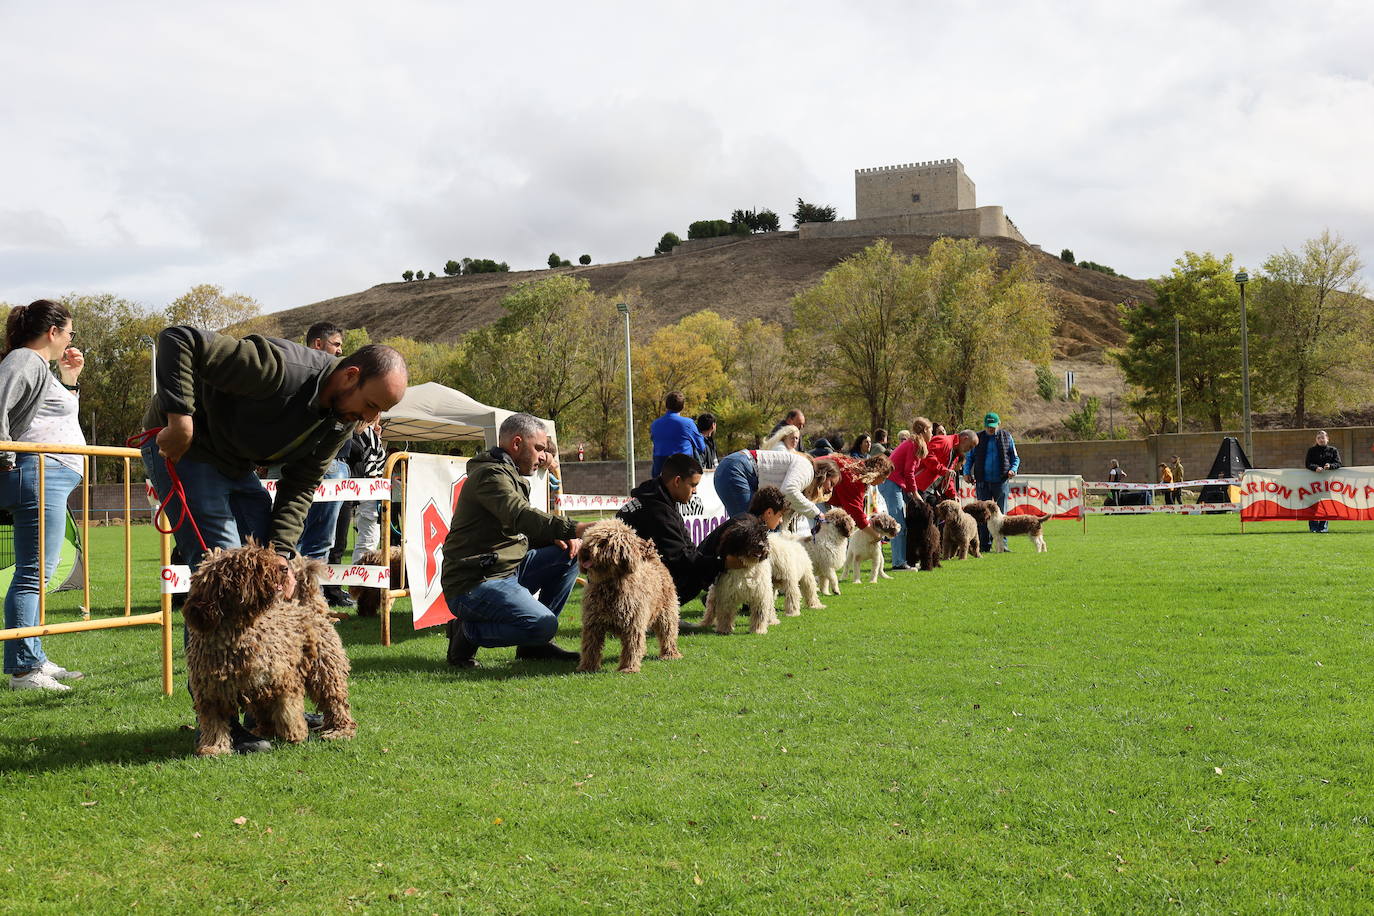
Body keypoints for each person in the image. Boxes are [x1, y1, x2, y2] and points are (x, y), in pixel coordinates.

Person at [141, 328, 407, 751]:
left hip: (235, 463)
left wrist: (282, 556)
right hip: (186, 450)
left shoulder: (342, 419)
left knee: (268, 570)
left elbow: (301, 483)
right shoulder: (278, 369)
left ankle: (263, 703)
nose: (367, 419)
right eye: (370, 405)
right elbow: (179, 340)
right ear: (349, 376)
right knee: (224, 571)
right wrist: (179, 419)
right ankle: (218, 721)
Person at [442, 413, 595, 669]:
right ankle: (467, 632)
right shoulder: (490, 476)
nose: (543, 457)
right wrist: (575, 528)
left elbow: (512, 530)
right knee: (544, 624)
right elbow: (520, 515)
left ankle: (534, 648)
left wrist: (554, 538)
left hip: (504, 571)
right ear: (516, 444)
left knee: (569, 555)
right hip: (475, 581)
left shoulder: (508, 474)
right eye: (538, 448)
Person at [0, 300, 86, 691]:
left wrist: (69, 379)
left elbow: (54, 417)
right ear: (53, 332)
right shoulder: (24, 359)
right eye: (69, 332)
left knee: (37, 573)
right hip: (38, 473)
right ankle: (23, 670)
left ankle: (32, 658)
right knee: (34, 574)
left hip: (48, 475)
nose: (71, 339)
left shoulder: (40, 367)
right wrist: (5, 455)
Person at [616, 453, 746, 607]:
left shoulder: (658, 500)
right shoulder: (659, 512)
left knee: (729, 528)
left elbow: (687, 548)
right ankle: (659, 613)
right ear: (677, 481)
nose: (695, 491)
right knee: (696, 577)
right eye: (693, 485)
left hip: (634, 581)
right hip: (630, 590)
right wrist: (723, 563)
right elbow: (681, 560)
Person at [712, 444, 837, 524]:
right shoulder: (807, 469)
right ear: (824, 474)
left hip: (734, 467)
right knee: (748, 527)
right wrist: (817, 514)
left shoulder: (805, 471)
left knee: (750, 526)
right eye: (831, 483)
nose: (830, 490)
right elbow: (788, 491)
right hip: (737, 469)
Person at [963, 413, 1020, 553]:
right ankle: (984, 545)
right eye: (988, 427)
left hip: (1001, 481)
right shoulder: (977, 438)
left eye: (993, 427)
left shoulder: (1007, 437)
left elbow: (1015, 458)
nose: (991, 429)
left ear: (999, 424)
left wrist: (1013, 469)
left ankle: (1003, 545)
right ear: (984, 425)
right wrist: (966, 472)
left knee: (1001, 515)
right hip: (982, 482)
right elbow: (969, 458)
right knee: (982, 515)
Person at [350, 419, 388, 564]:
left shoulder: (368, 433)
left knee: (368, 540)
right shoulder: (368, 432)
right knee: (368, 542)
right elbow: (371, 468)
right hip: (371, 493)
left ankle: (359, 581)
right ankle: (360, 582)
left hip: (367, 492)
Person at [827, 454, 893, 531]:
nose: (883, 482)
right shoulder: (854, 478)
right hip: (813, 487)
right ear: (878, 473)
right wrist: (873, 535)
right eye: (884, 478)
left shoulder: (856, 471)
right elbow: (855, 511)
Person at [649, 391, 707, 477]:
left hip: (660, 470)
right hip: (682, 471)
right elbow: (701, 447)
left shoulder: (655, 424)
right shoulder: (688, 423)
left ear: (666, 405)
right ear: (683, 406)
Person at [1305, 431, 1341, 533]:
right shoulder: (1311, 450)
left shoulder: (1333, 450)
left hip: (1327, 482)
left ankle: (1323, 528)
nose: (1321, 439)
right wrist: (1315, 467)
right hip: (1313, 482)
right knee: (1313, 505)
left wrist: (1330, 466)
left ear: (1327, 439)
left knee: (1325, 505)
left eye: (1323, 438)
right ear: (1316, 440)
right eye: (1319, 438)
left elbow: (1338, 463)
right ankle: (1313, 528)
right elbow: (1308, 464)